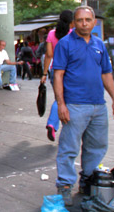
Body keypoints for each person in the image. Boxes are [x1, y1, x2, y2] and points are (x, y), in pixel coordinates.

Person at [52, 6, 114, 207]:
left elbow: (106, 74)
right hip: (75, 105)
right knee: (69, 148)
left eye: (88, 20)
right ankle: (65, 186)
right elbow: (58, 75)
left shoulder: (99, 44)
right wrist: (61, 104)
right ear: (74, 23)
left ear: (94, 22)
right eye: (80, 20)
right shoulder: (65, 44)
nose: (84, 23)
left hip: (98, 105)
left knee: (96, 147)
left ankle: (89, 182)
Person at [41, 10, 73, 142]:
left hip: (55, 69)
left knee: (58, 96)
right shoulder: (72, 34)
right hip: (70, 70)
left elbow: (48, 55)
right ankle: (54, 124)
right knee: (65, 98)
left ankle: (53, 125)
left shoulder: (51, 34)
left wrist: (44, 73)